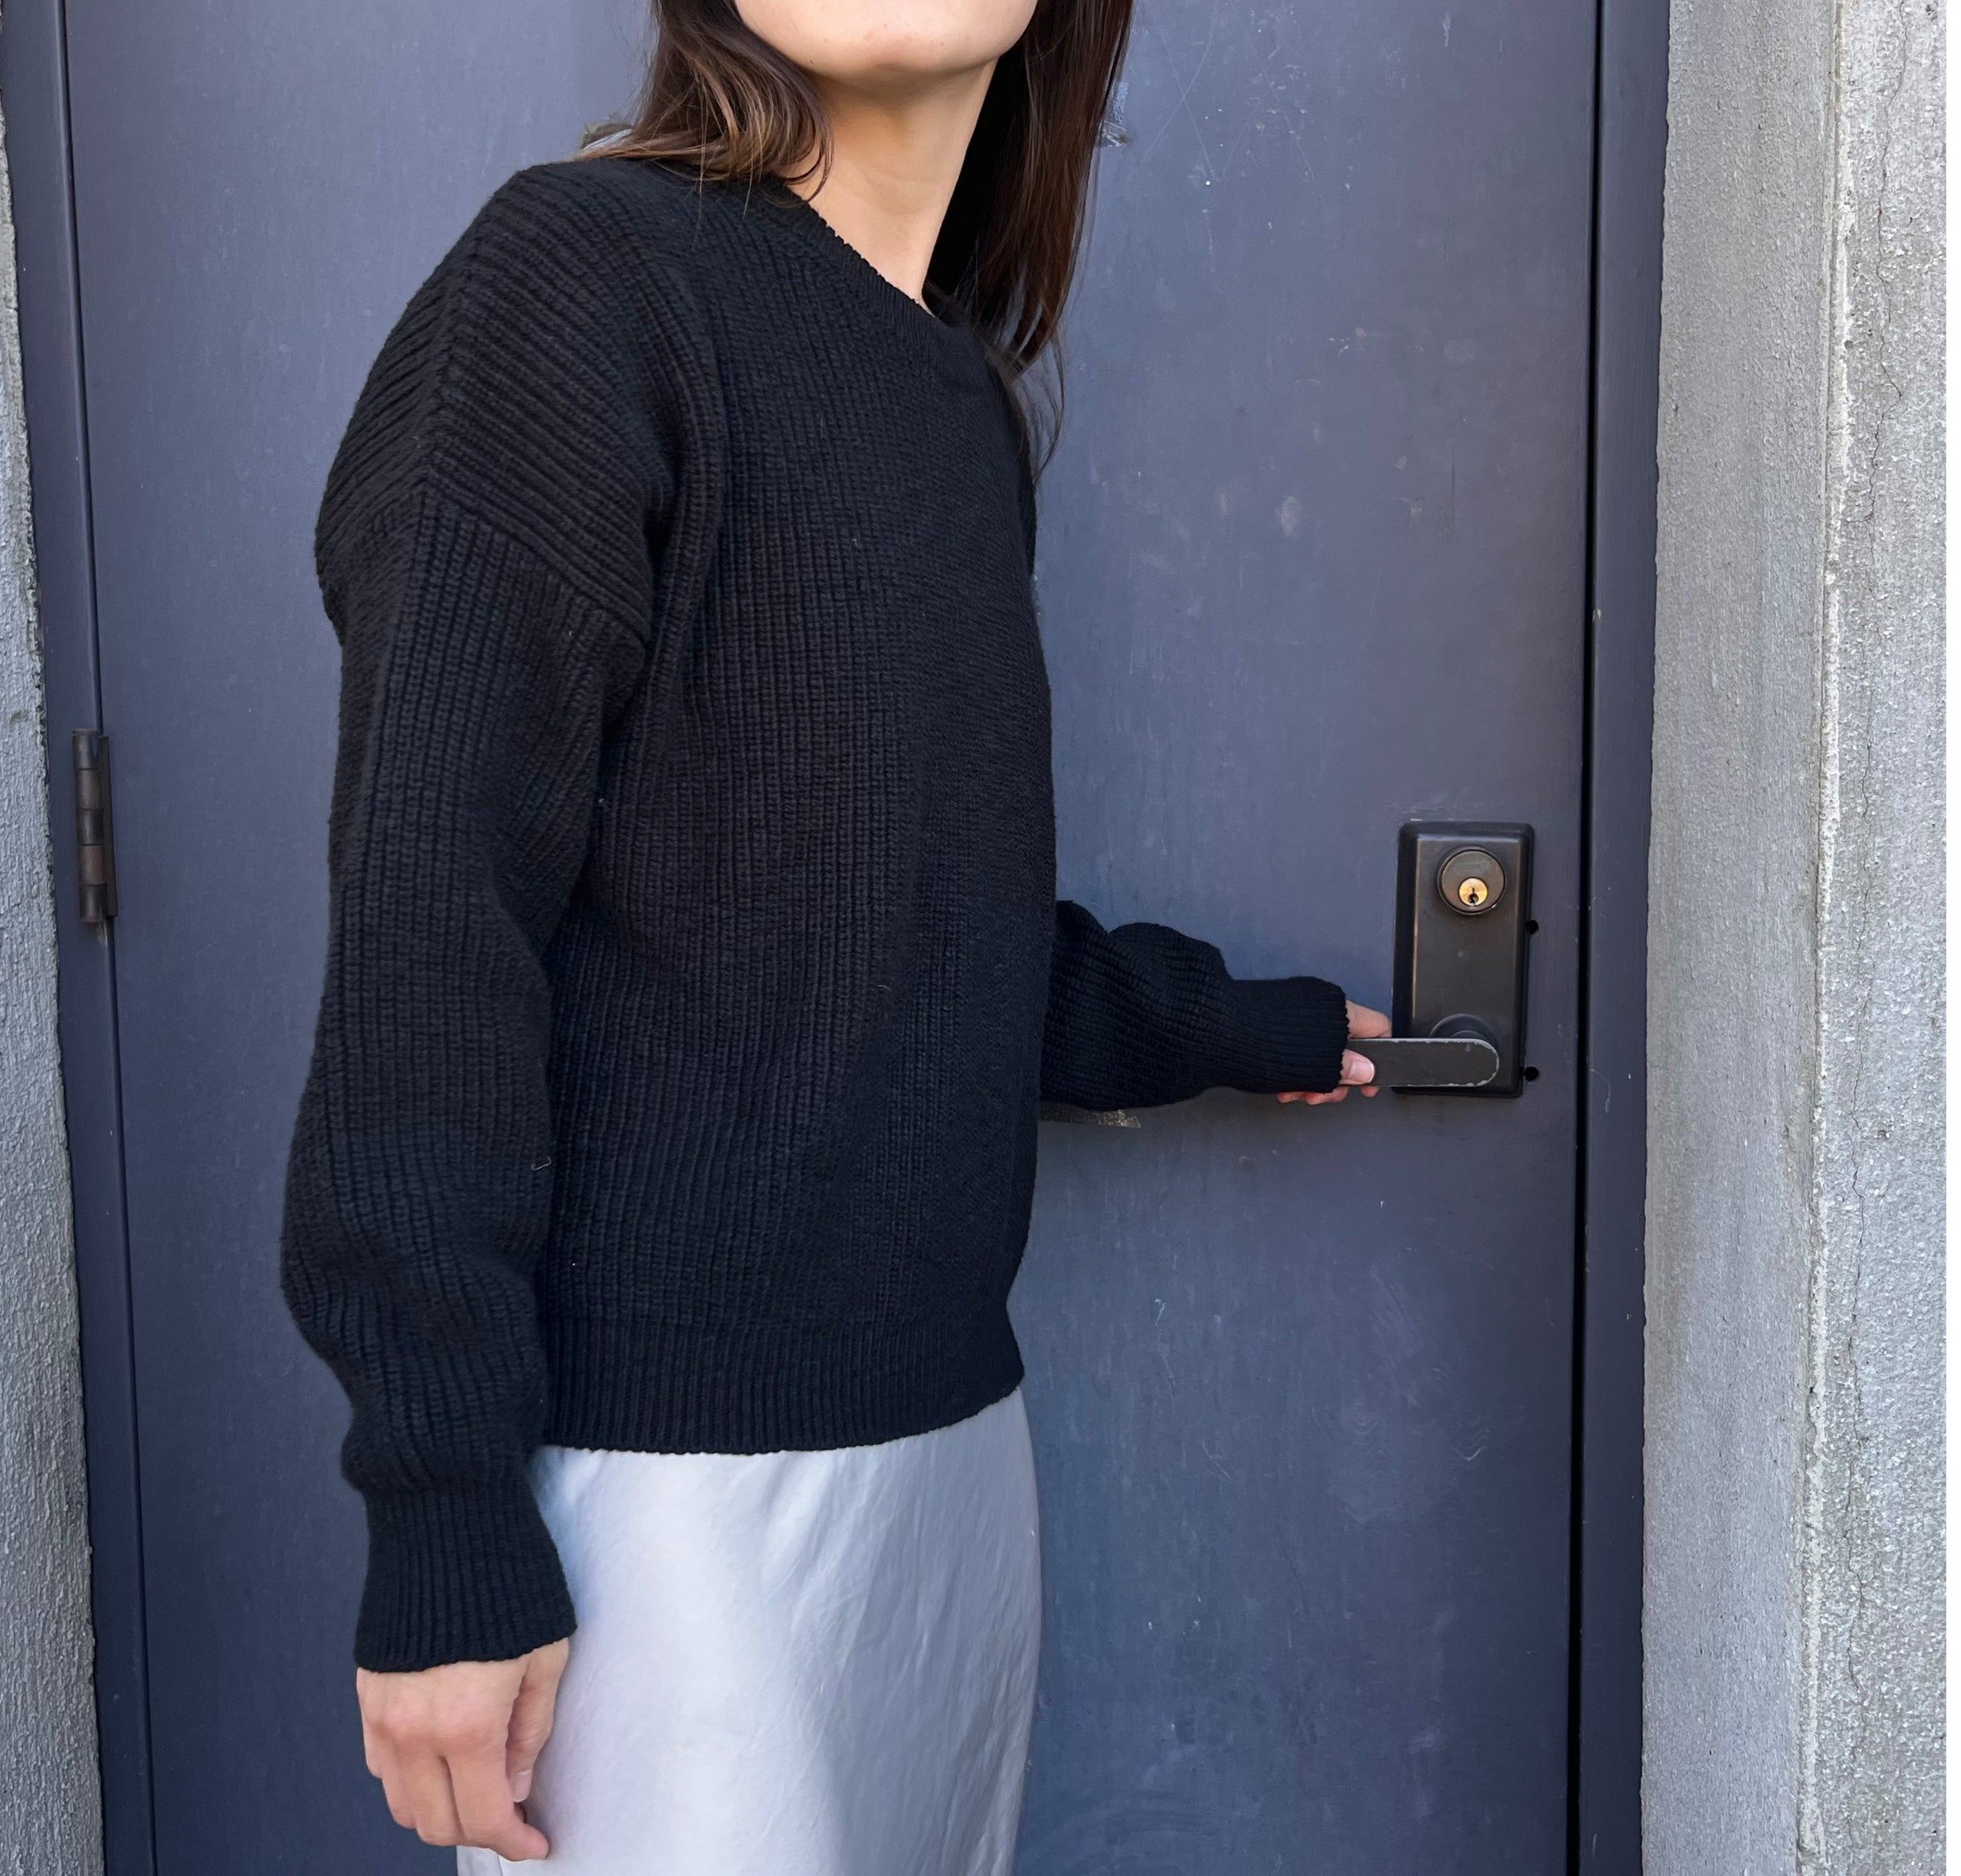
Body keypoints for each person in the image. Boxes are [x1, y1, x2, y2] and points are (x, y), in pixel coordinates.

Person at [280, 1, 1386, 1867]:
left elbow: (893, 925)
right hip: (670, 1510)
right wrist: (443, 1508)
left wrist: (1210, 1020)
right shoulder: (579, 284)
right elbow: (429, 937)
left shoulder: (958, 405)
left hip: (950, 1468)